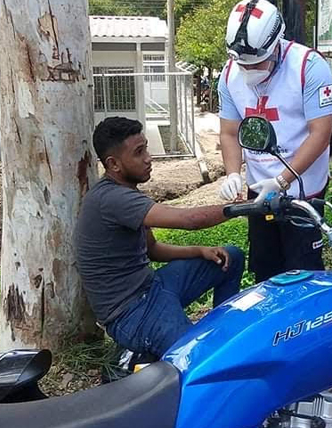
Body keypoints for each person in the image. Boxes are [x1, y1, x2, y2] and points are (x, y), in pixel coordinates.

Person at [76, 117, 245, 359]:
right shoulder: (112, 199)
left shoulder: (125, 190)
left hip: (152, 287)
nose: (148, 157)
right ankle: (159, 354)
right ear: (114, 164)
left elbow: (152, 249)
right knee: (197, 360)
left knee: (231, 258)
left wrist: (200, 251)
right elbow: (190, 220)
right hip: (132, 314)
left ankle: (221, 335)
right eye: (139, 152)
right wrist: (244, 207)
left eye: (145, 148)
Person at [217, 0, 332, 283]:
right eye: (243, 63)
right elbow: (229, 132)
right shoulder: (230, 73)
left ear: (275, 44)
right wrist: (233, 172)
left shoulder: (309, 67)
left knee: (303, 269)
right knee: (264, 266)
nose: (249, 69)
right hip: (259, 190)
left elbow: (321, 132)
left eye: (257, 62)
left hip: (303, 188)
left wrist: (283, 180)